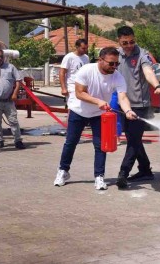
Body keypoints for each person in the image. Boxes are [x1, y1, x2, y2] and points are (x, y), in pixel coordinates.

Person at [53, 47, 137, 189]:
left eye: (117, 64)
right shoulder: (86, 70)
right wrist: (98, 101)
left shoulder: (117, 76)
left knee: (100, 146)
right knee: (71, 142)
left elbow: (122, 97)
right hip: (78, 110)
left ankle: (99, 176)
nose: (114, 67)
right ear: (100, 60)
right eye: (111, 63)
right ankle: (63, 171)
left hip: (98, 115)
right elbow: (80, 93)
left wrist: (128, 110)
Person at [114, 26, 160, 189]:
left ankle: (123, 173)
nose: (129, 45)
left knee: (133, 142)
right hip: (123, 105)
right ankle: (145, 170)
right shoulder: (117, 54)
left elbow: (148, 71)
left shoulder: (142, 54)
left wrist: (156, 85)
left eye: (132, 41)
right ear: (119, 41)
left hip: (139, 105)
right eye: (125, 42)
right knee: (134, 139)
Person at [0, 48, 26, 150]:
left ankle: (18, 140)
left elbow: (19, 81)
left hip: (8, 101)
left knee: (13, 121)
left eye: (1, 56)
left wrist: (15, 93)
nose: (0, 58)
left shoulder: (10, 67)